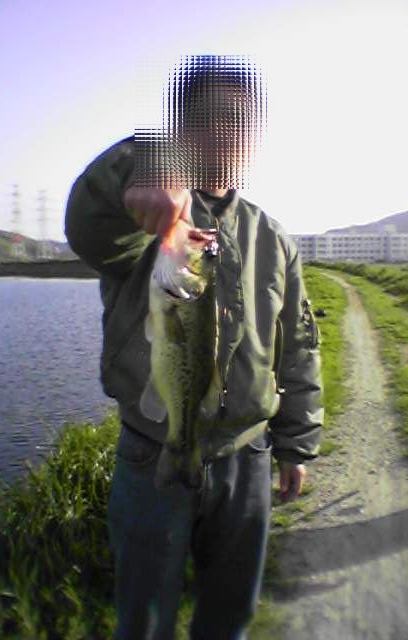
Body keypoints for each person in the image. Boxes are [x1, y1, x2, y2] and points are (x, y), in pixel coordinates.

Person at [65, 55, 323, 640]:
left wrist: (297, 444)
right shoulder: (146, 214)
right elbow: (87, 226)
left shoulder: (273, 237)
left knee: (229, 617)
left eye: (242, 121)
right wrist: (145, 163)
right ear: (180, 127)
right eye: (211, 117)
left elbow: (300, 347)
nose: (228, 132)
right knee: (144, 622)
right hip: (151, 451)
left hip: (248, 459)